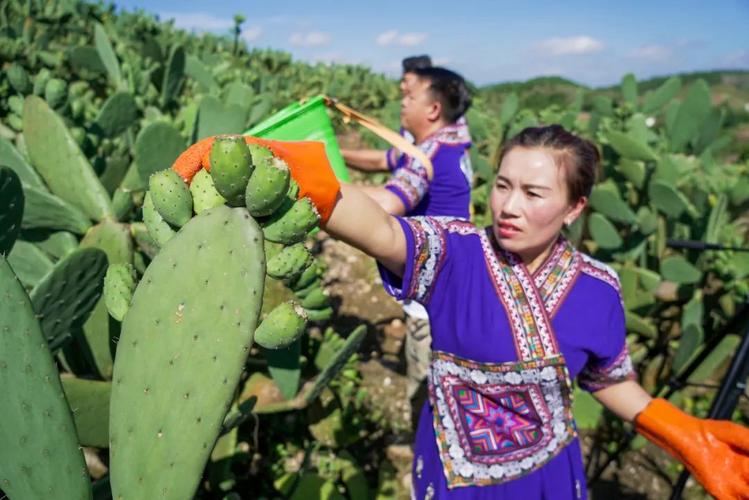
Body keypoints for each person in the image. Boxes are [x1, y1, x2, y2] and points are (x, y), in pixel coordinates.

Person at [172, 126, 749, 499]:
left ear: (574, 207)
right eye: (502, 186)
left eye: (533, 193)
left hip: (549, 475)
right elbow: (372, 225)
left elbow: (608, 379)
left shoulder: (600, 287)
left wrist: (683, 432)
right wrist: (277, 164)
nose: (509, 207)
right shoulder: (454, 252)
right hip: (457, 479)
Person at [343, 65, 474, 429]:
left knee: (425, 380)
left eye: (410, 97)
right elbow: (387, 163)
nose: (402, 103)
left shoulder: (428, 154)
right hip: (453, 276)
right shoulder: (450, 141)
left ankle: (425, 448)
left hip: (434, 288)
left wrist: (318, 184)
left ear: (432, 110)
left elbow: (387, 204)